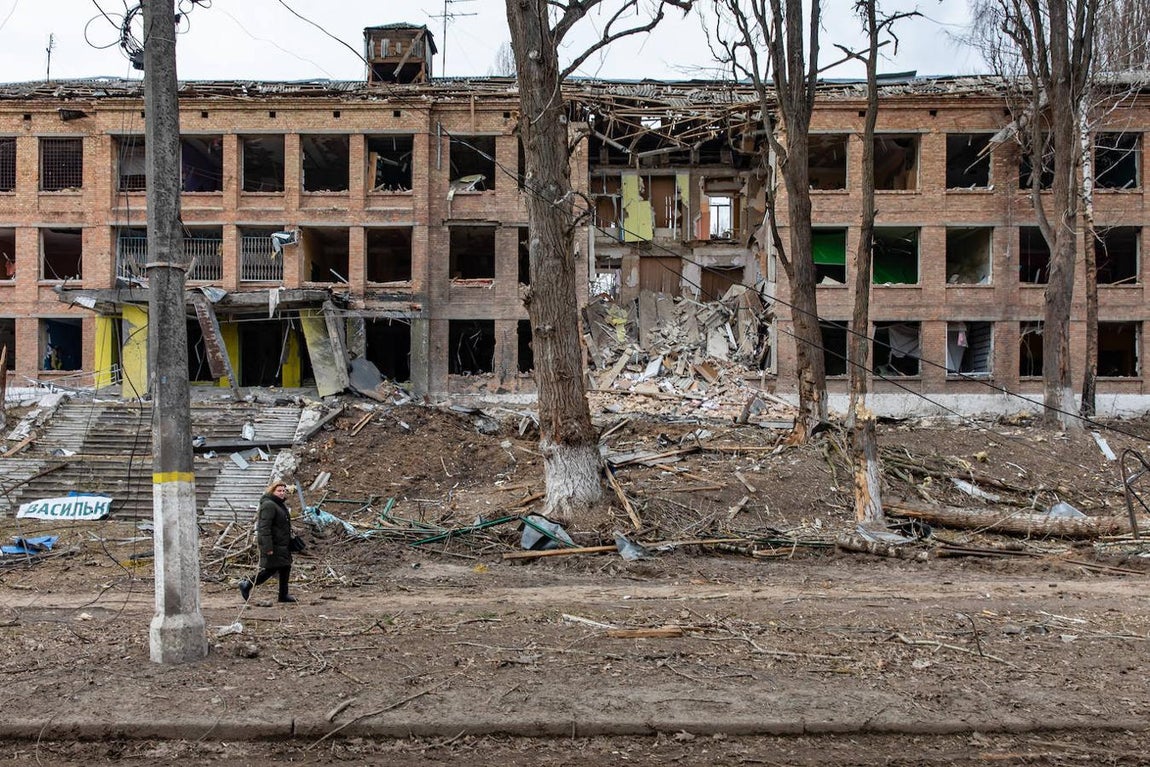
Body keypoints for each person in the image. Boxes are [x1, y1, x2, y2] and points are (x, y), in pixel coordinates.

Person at [239, 480, 297, 603]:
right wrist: (267, 547)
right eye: (279, 491)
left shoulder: (279, 504)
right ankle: (247, 584)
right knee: (270, 570)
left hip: (282, 544)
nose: (282, 493)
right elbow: (264, 528)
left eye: (283, 490)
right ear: (272, 491)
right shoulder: (269, 505)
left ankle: (283, 595)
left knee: (285, 567)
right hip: (273, 544)